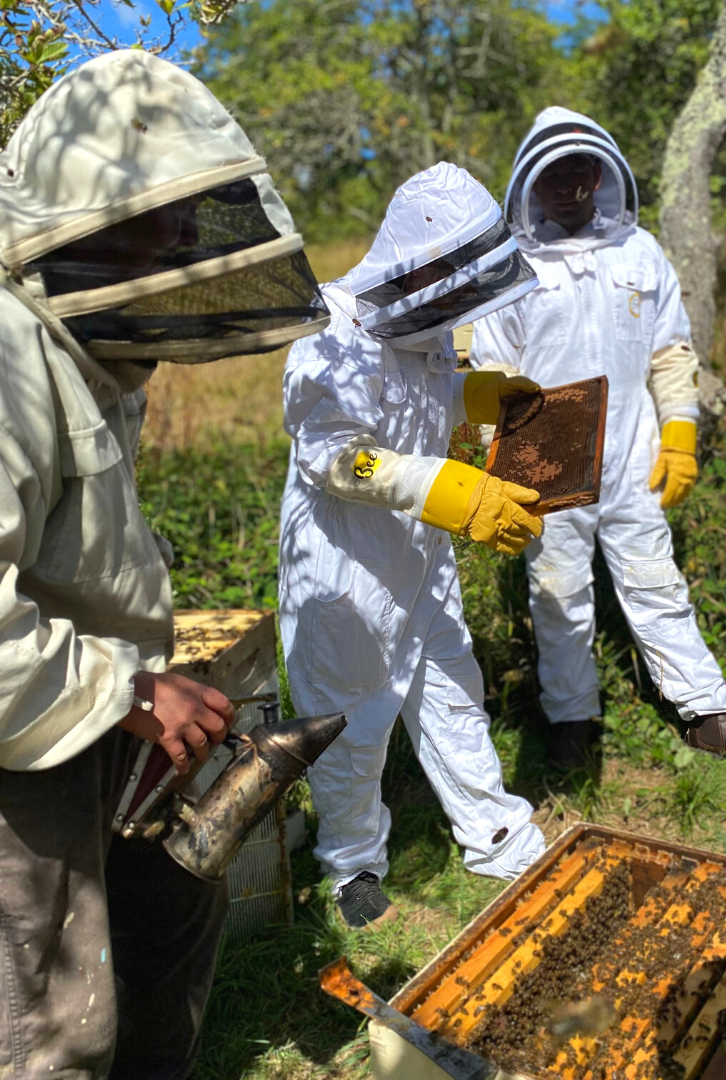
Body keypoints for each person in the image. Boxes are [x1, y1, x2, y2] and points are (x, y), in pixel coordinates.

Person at [0, 50, 330, 1078]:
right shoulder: (9, 356)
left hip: (101, 716)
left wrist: (134, 689)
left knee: (172, 927)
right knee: (54, 1026)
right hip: (26, 752)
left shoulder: (85, 345)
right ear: (88, 226)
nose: (191, 241)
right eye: (167, 217)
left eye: (202, 212)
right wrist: (133, 692)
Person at [470, 108, 726, 772]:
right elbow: (489, 372)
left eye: (575, 170)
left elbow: (671, 354)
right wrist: (498, 459)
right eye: (550, 173)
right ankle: (570, 724)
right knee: (556, 591)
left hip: (632, 450)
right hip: (544, 453)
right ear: (530, 180)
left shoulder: (639, 251)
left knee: (656, 583)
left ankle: (708, 716)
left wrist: (680, 434)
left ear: (598, 173)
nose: (564, 185)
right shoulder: (511, 264)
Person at [278, 162, 548, 930]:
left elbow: (422, 397)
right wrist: (453, 491)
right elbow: (333, 456)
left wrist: (478, 394)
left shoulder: (424, 323)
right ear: (420, 264)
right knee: (349, 725)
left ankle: (494, 830)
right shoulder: (328, 329)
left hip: (421, 557)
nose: (461, 302)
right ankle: (351, 864)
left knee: (455, 695)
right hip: (344, 568)